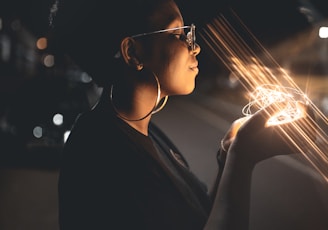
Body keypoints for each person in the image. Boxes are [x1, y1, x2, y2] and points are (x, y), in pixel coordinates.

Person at [48, 0, 315, 229]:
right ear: (132, 52)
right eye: (178, 33)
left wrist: (227, 154)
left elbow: (202, 218)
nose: (194, 46)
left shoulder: (143, 130)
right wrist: (242, 158)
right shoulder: (99, 154)